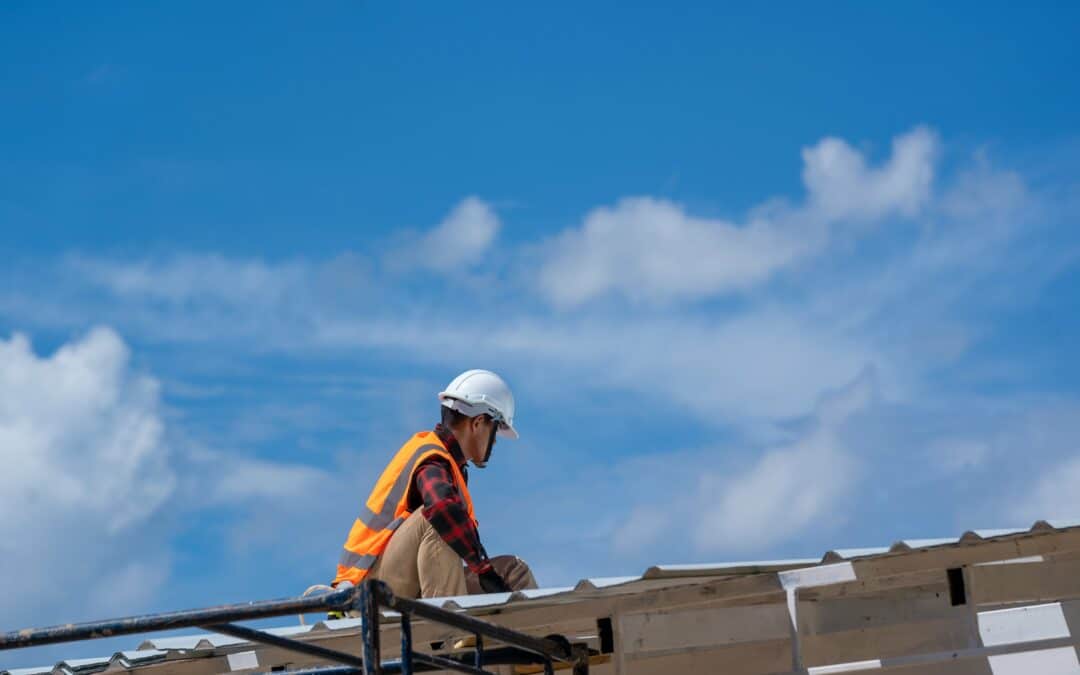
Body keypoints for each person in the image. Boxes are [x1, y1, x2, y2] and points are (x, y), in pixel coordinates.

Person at [332, 369, 535, 598]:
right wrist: (483, 569)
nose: (495, 440)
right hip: (369, 590)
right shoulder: (432, 459)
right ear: (478, 423)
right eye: (495, 429)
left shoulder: (449, 467)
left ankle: (545, 633)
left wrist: (488, 573)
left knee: (513, 572)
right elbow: (441, 509)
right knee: (442, 520)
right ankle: (451, 632)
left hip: (408, 582)